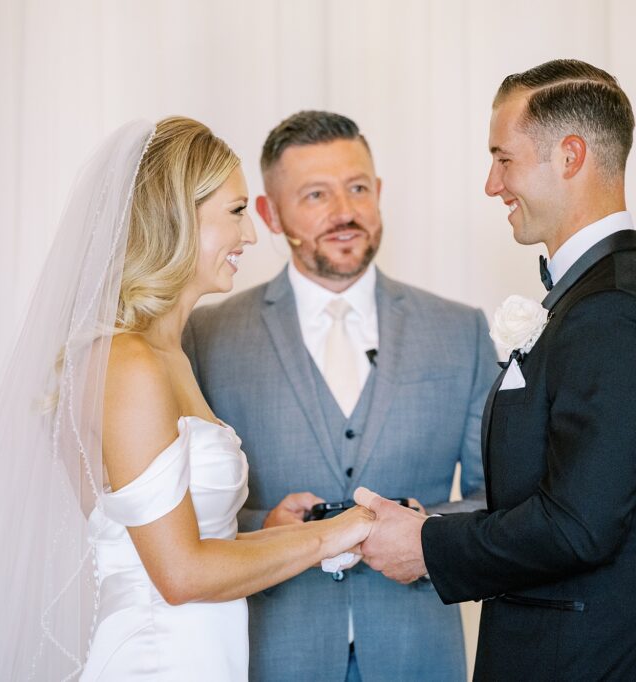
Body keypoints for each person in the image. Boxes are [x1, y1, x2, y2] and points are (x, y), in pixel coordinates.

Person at [0, 117, 373, 681]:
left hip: (203, 656)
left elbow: (146, 537)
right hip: (158, 660)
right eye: (236, 213)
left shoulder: (167, 354)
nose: (251, 237)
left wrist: (269, 535)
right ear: (178, 218)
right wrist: (336, 531)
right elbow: (178, 574)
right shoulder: (129, 364)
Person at [356, 59, 636, 681]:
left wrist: (426, 546)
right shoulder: (592, 299)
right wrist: (428, 521)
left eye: (504, 159)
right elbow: (550, 494)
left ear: (570, 156)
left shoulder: (618, 310)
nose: (491, 184)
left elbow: (579, 527)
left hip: (598, 664)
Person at [183, 111, 499, 681]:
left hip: (419, 656)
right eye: (315, 195)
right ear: (269, 214)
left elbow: (494, 499)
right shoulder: (208, 336)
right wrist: (264, 527)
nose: (344, 212)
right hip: (273, 654)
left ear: (378, 193)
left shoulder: (461, 331)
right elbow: (183, 517)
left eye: (357, 188)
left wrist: (427, 531)